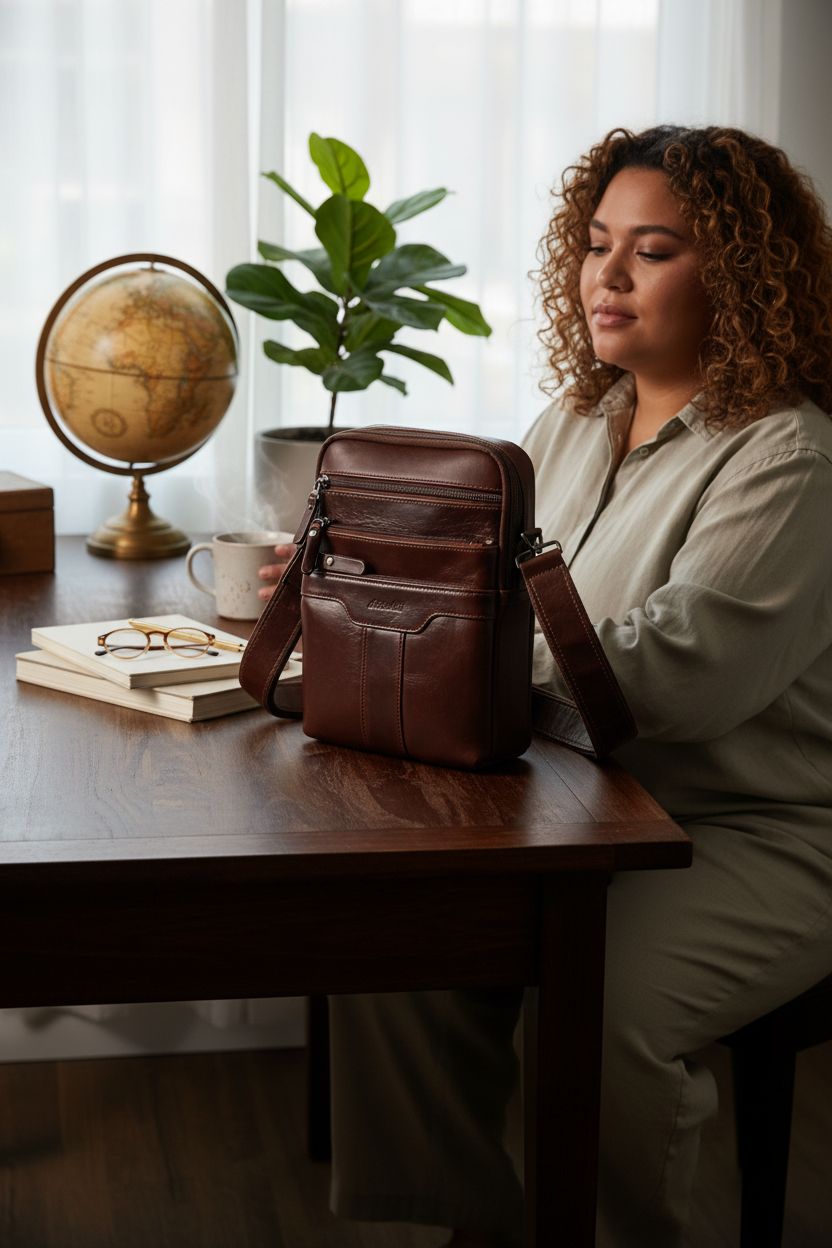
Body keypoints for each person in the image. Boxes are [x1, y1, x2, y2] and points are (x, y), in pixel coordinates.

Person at [258, 125, 832, 1247]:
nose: (606, 276)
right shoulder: (568, 422)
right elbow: (489, 595)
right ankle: (464, 1226)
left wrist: (434, 632)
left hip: (756, 829)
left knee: (608, 1006)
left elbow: (676, 678)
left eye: (653, 250)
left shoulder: (791, 458)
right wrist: (363, 589)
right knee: (393, 932)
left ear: (743, 275)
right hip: (571, 807)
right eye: (597, 242)